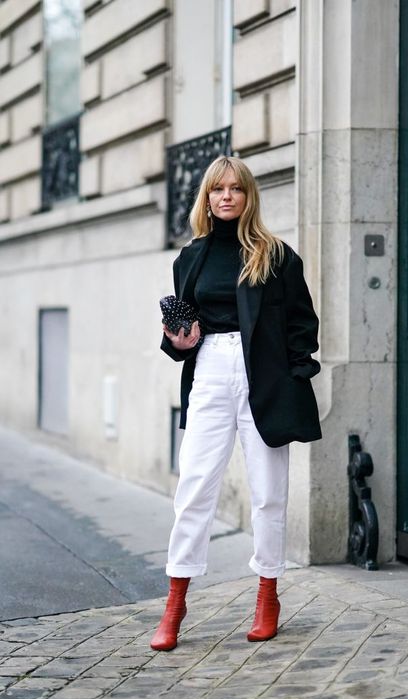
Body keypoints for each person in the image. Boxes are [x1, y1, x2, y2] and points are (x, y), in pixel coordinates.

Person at [150, 156, 321, 651]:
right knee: (195, 489)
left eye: (236, 189)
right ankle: (175, 602)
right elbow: (179, 334)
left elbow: (301, 325)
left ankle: (268, 594)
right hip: (209, 371)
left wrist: (295, 377)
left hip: (262, 378)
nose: (226, 196)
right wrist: (179, 341)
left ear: (249, 196)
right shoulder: (191, 257)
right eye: (217, 189)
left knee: (268, 492)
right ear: (206, 198)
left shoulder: (276, 255)